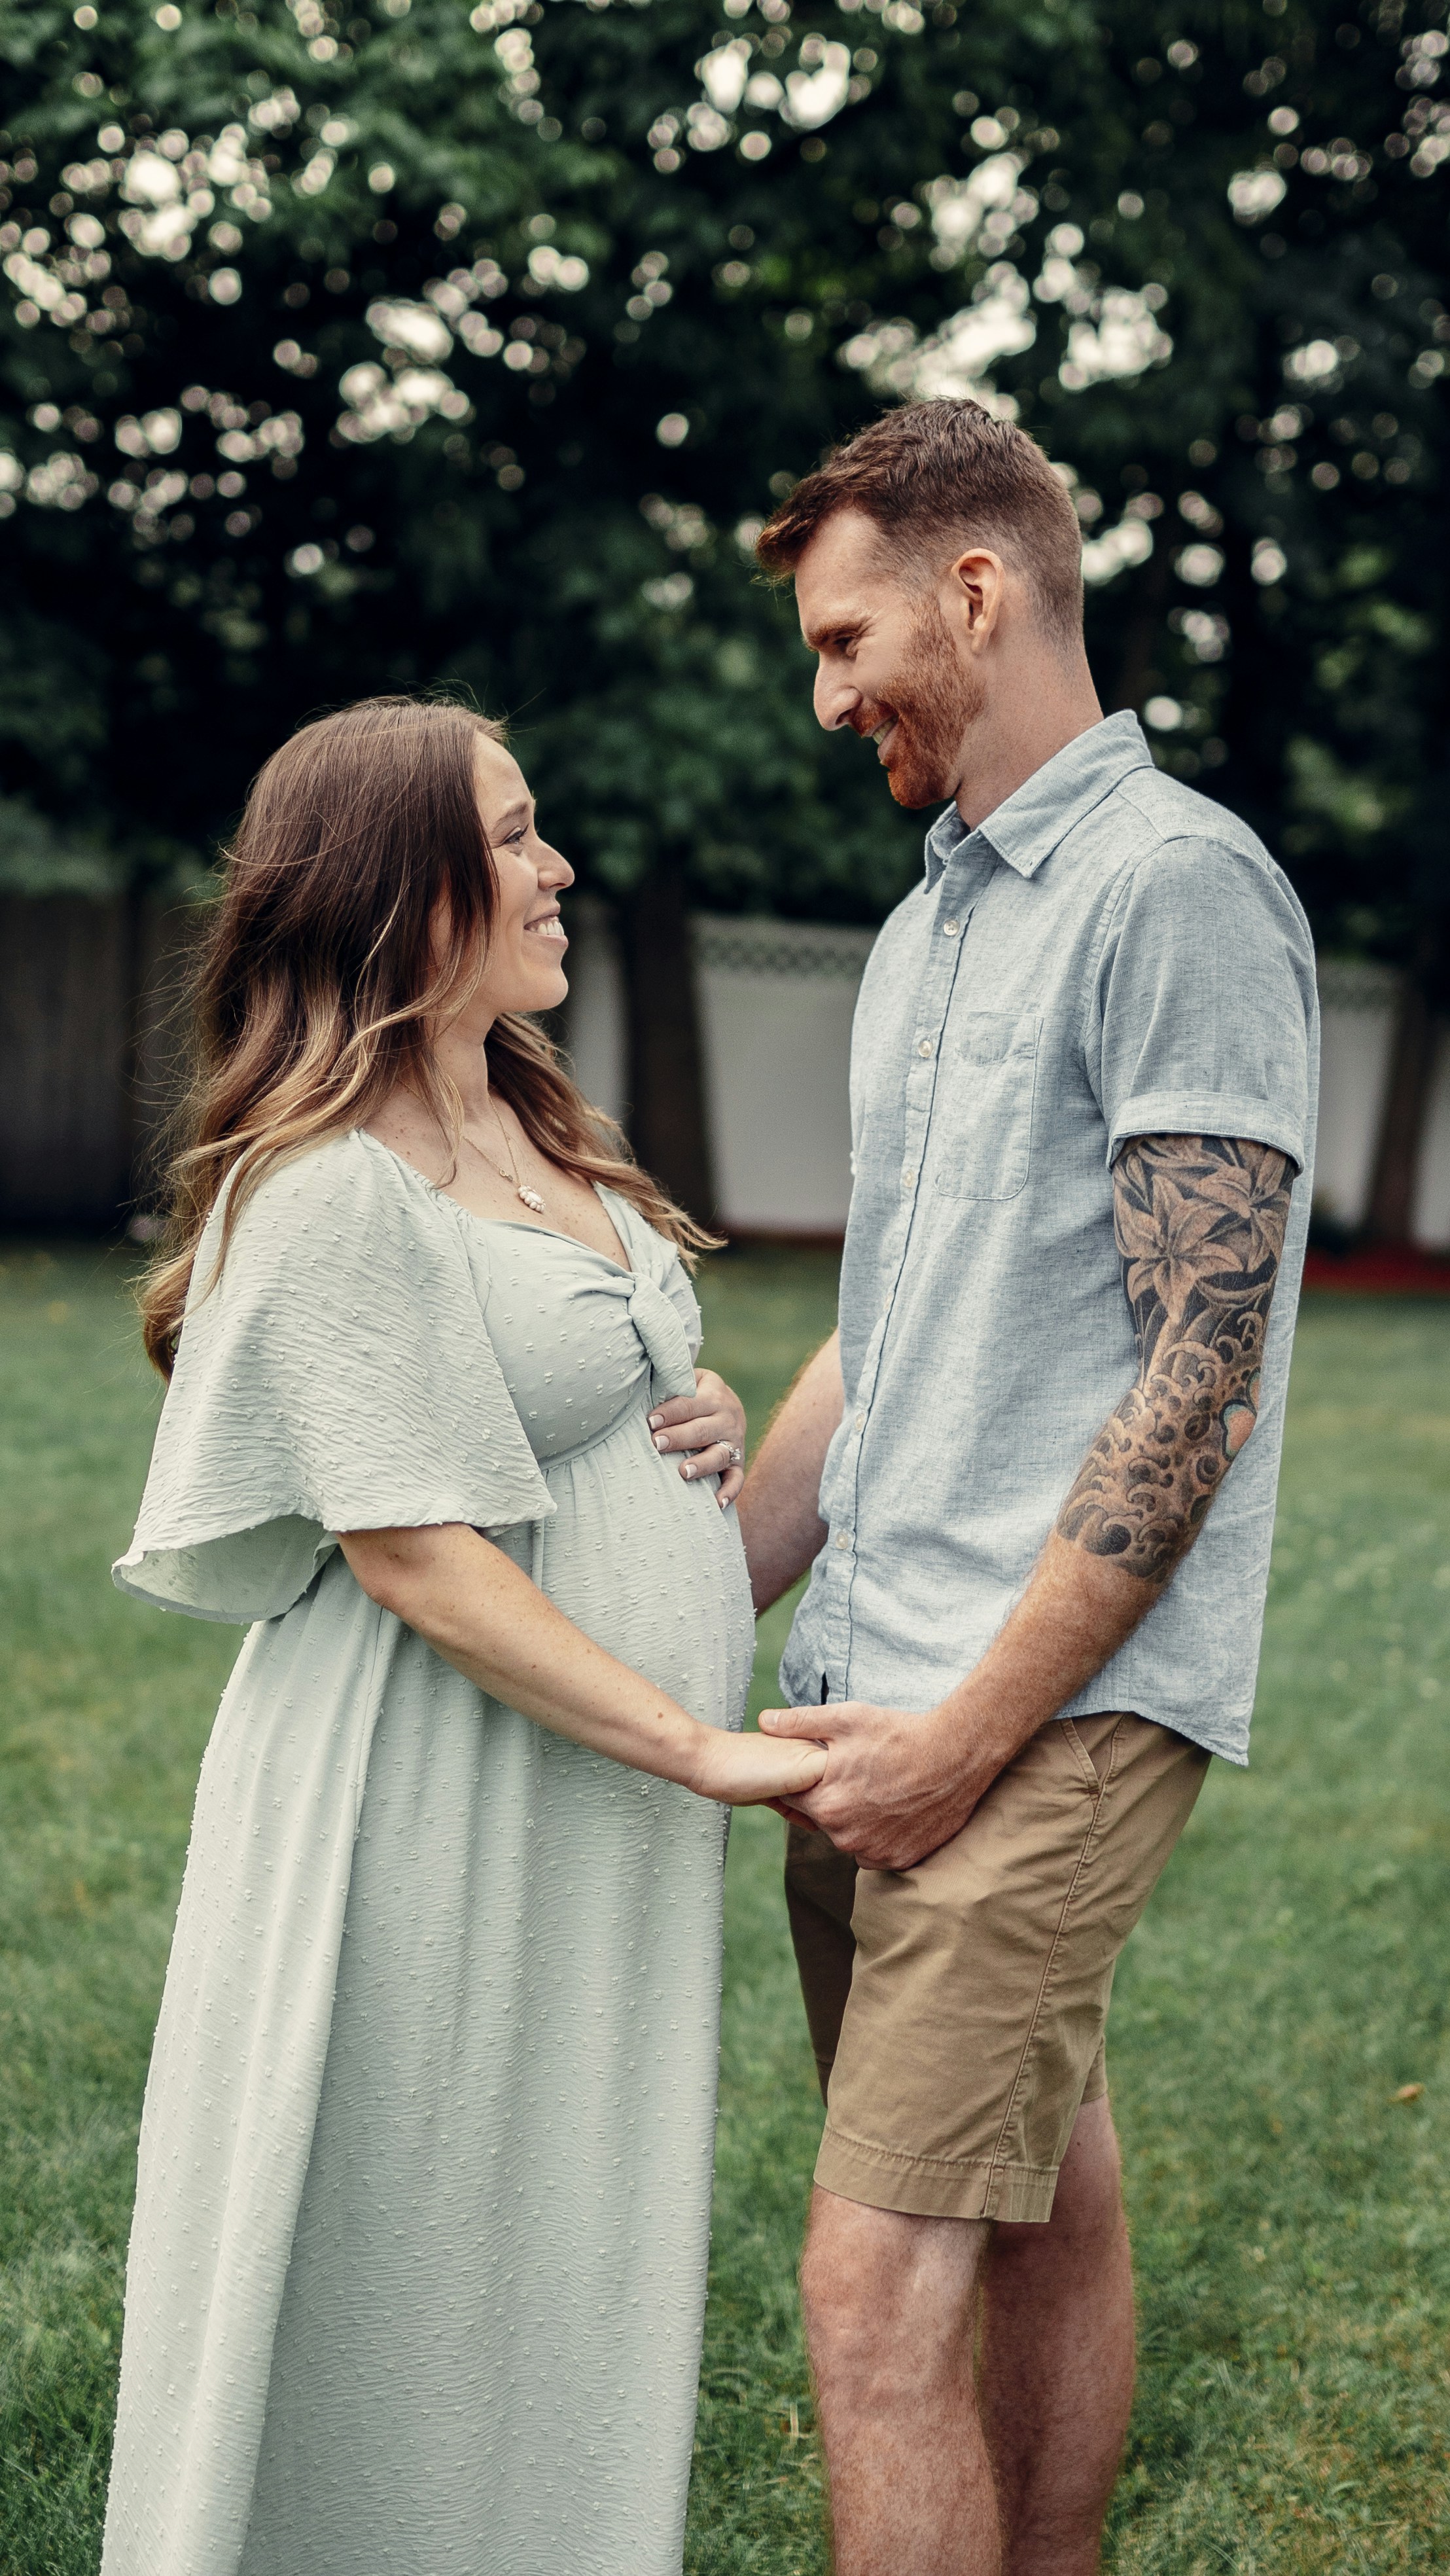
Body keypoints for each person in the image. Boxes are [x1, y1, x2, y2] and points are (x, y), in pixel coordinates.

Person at [103, 695, 826, 2576]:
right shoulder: (328, 1185)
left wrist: (693, 1409)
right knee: (407, 2235)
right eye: (512, 835)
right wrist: (704, 1745)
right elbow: (414, 1552)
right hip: (426, 1803)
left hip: (577, 1806)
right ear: (397, 887)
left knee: (560, 2241)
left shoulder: (528, 1117)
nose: (556, 866)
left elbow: (555, 1387)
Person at [736, 401, 1318, 2576]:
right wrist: (696, 1590)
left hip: (1036, 1711)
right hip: (864, 1687)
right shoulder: (928, 928)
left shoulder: (1177, 888)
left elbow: (1200, 1373)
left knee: (870, 2292)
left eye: (846, 638)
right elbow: (889, 1326)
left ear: (976, 592)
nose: (829, 698)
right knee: (1039, 2183)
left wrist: (968, 1739)